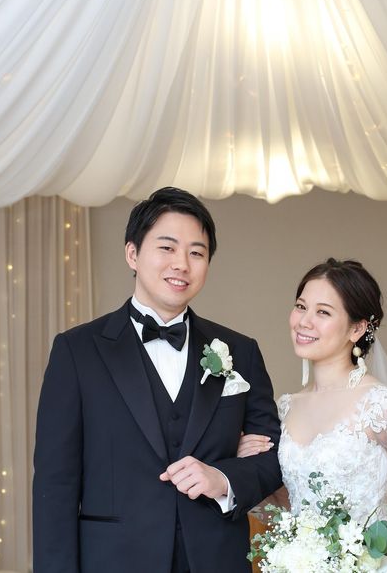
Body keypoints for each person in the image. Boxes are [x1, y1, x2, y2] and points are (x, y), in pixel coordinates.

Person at [33, 187, 282, 573]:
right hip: (114, 561)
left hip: (217, 559)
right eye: (167, 248)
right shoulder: (77, 351)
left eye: (196, 253)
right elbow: (55, 485)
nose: (181, 264)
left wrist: (223, 478)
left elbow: (274, 458)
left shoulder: (240, 350)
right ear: (132, 253)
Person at [238, 258, 387, 573]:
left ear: (357, 328)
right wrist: (247, 465)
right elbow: (288, 509)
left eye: (323, 312)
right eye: (301, 306)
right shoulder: (284, 408)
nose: (304, 321)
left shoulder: (378, 404)